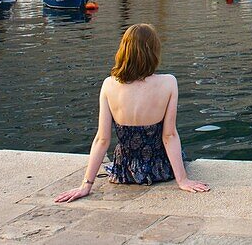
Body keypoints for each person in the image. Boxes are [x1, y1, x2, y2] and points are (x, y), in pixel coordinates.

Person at [55, 23, 209, 202]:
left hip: (124, 171)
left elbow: (102, 139)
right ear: (153, 52)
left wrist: (86, 185)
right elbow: (169, 136)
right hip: (159, 169)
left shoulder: (109, 84)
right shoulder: (168, 83)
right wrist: (182, 180)